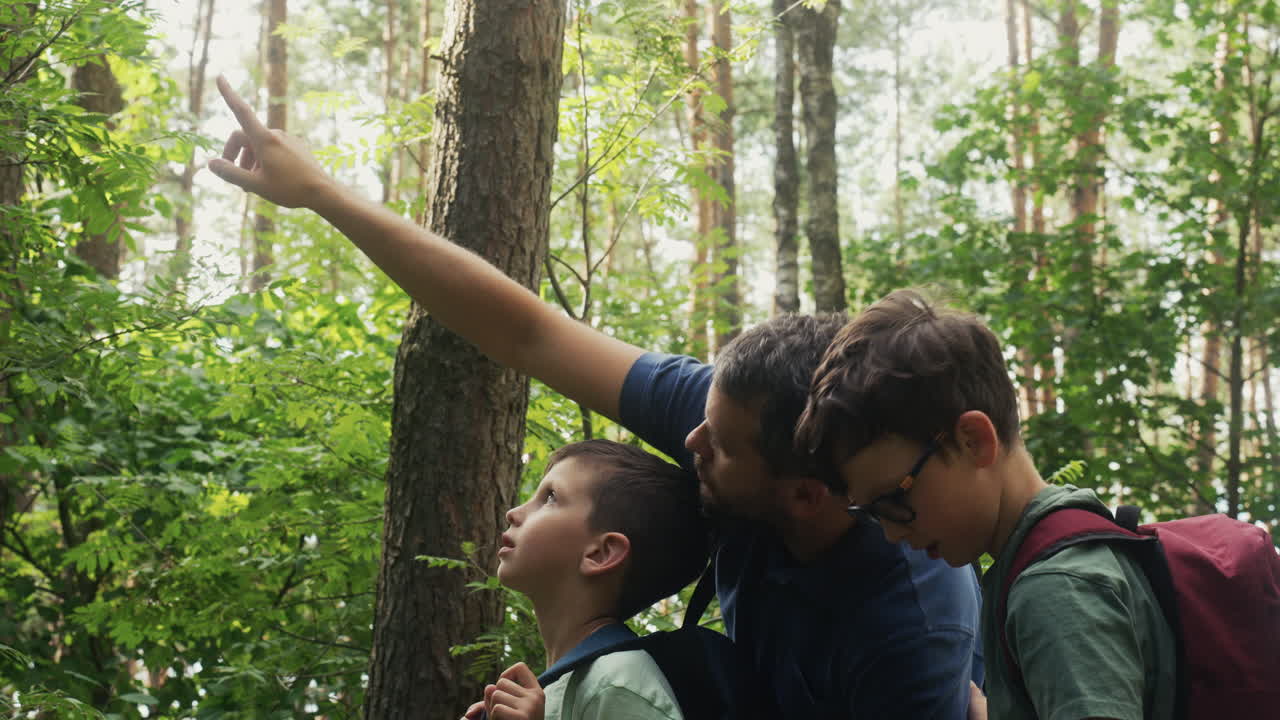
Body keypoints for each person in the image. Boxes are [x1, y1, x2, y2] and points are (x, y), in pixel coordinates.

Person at [208, 76, 984, 718]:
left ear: (807, 495)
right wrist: (321, 194)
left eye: (718, 445)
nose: (689, 443)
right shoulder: (733, 415)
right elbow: (528, 334)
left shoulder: (908, 632)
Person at [795, 289, 1177, 720]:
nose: (891, 532)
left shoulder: (1055, 590)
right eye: (871, 512)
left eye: (894, 499)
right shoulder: (1067, 540)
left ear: (973, 441)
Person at [462, 440, 708, 720]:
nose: (513, 513)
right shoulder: (562, 686)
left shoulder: (617, 683)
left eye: (551, 497)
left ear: (601, 553)